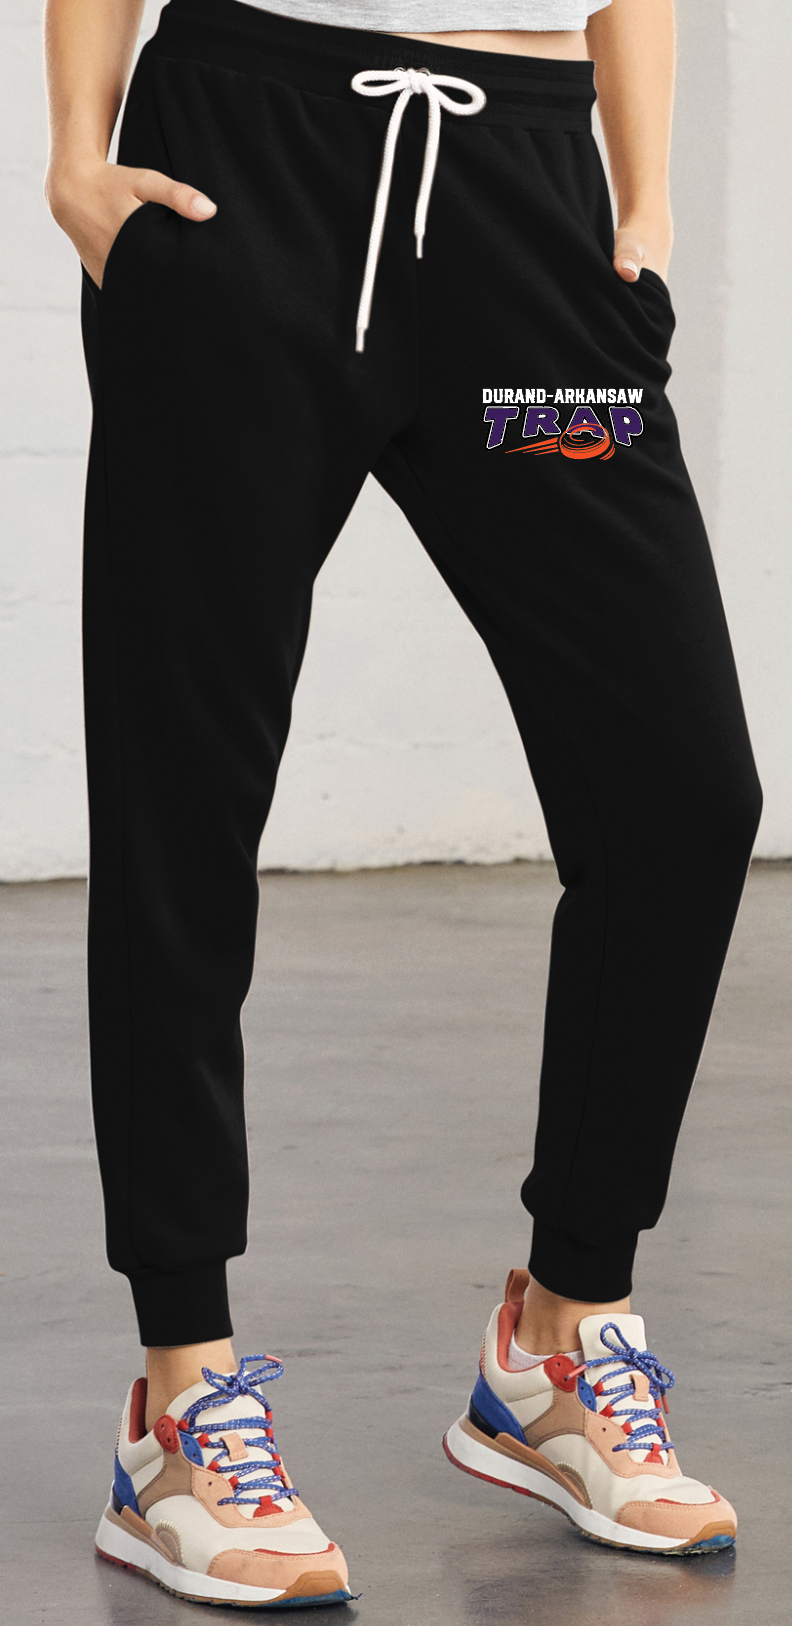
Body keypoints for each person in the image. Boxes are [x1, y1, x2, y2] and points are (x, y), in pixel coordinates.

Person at [44, 0, 760, 1605]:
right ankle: (178, 1402)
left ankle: (560, 1339)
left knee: (679, 791)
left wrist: (641, 206)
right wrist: (76, 162)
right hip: (242, 181)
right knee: (183, 792)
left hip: (528, 210)